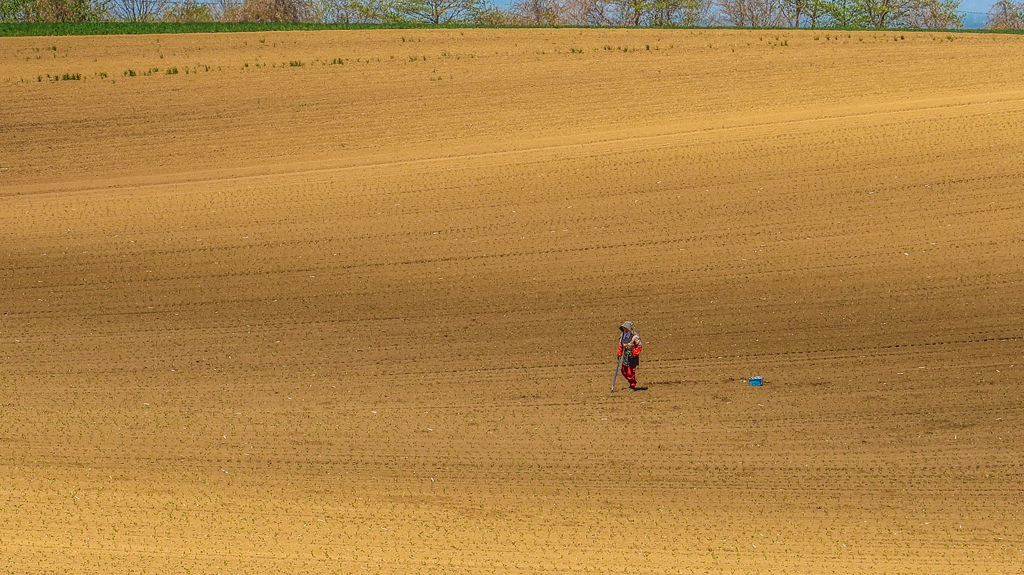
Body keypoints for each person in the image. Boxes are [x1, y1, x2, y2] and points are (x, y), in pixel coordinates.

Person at [617, 320, 643, 390]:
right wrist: (619, 353)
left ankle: (632, 384)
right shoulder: (622, 336)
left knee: (630, 371)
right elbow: (621, 345)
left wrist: (634, 353)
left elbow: (639, 346)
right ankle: (631, 381)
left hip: (632, 355)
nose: (624, 330)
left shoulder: (634, 337)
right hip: (626, 354)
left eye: (626, 328)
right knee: (624, 370)